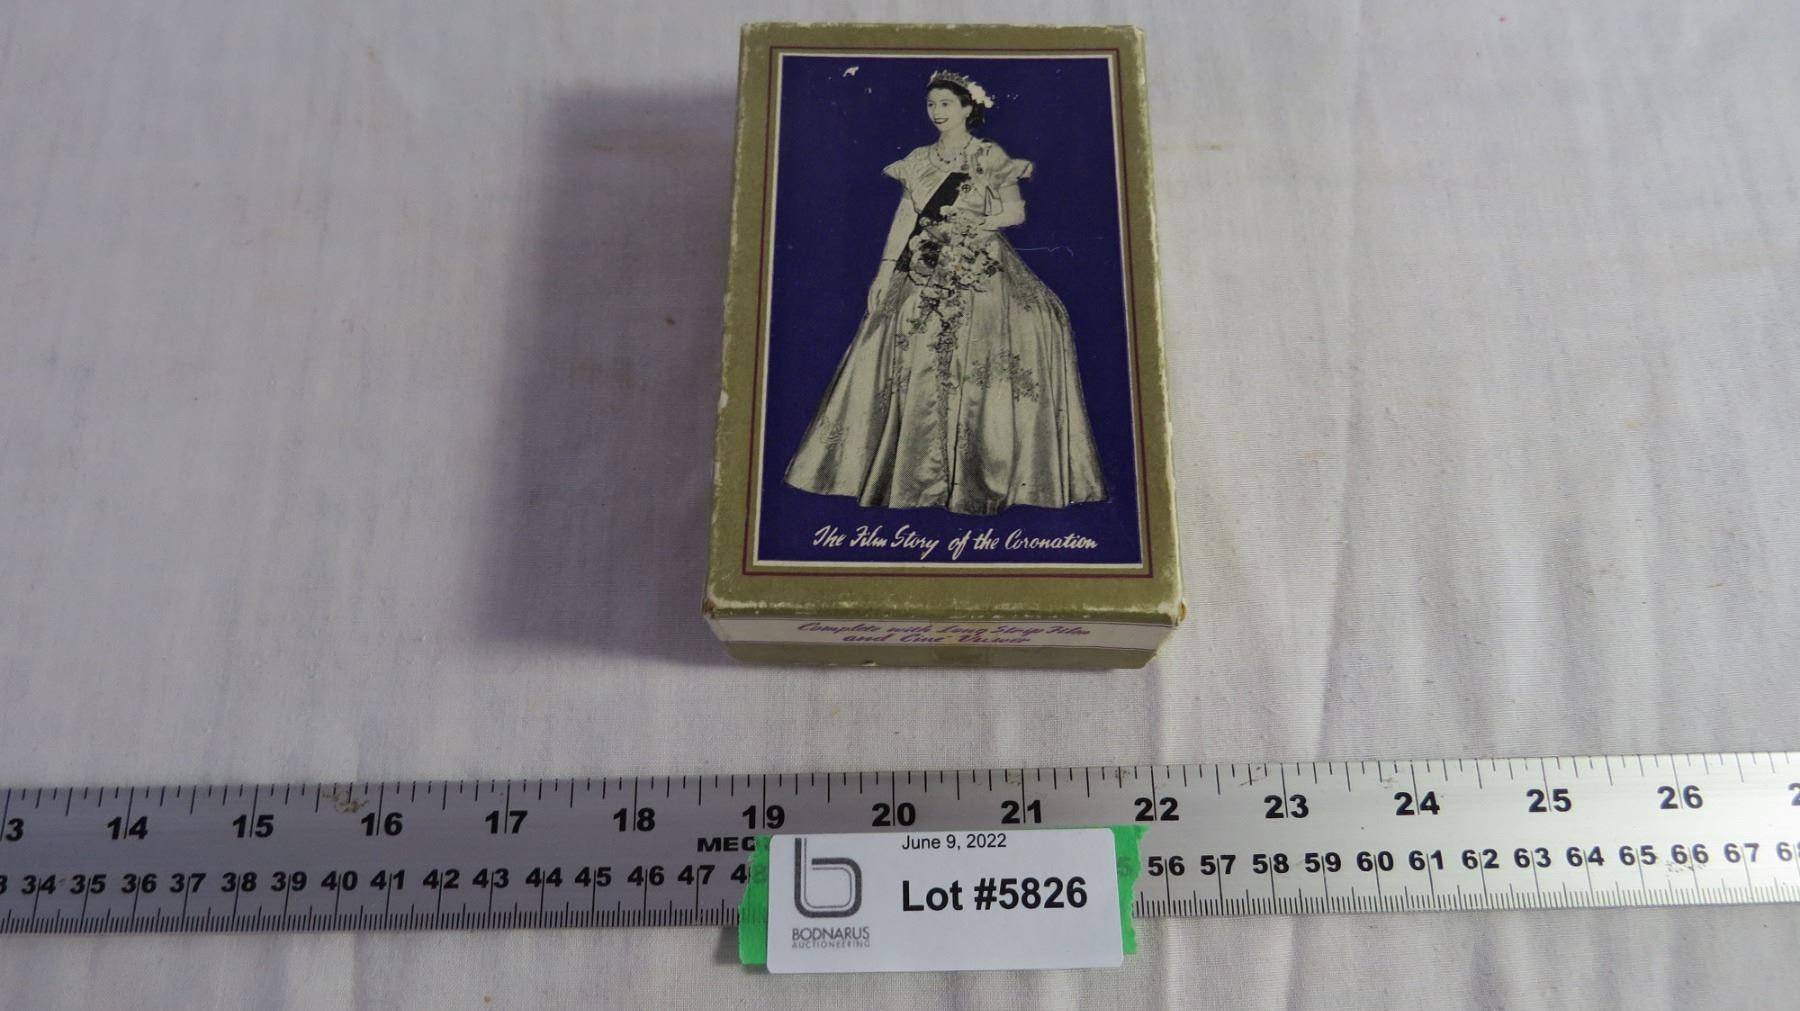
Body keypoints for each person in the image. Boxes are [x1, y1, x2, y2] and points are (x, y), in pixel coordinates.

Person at [784, 70, 1107, 516]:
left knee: (1035, 320)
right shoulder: (919, 159)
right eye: (931, 105)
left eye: (946, 104)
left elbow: (1015, 212)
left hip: (979, 255)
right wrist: (883, 273)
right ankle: (908, 474)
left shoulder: (989, 154)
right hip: (925, 256)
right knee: (898, 333)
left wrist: (974, 223)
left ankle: (985, 472)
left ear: (968, 109)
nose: (937, 112)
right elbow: (905, 217)